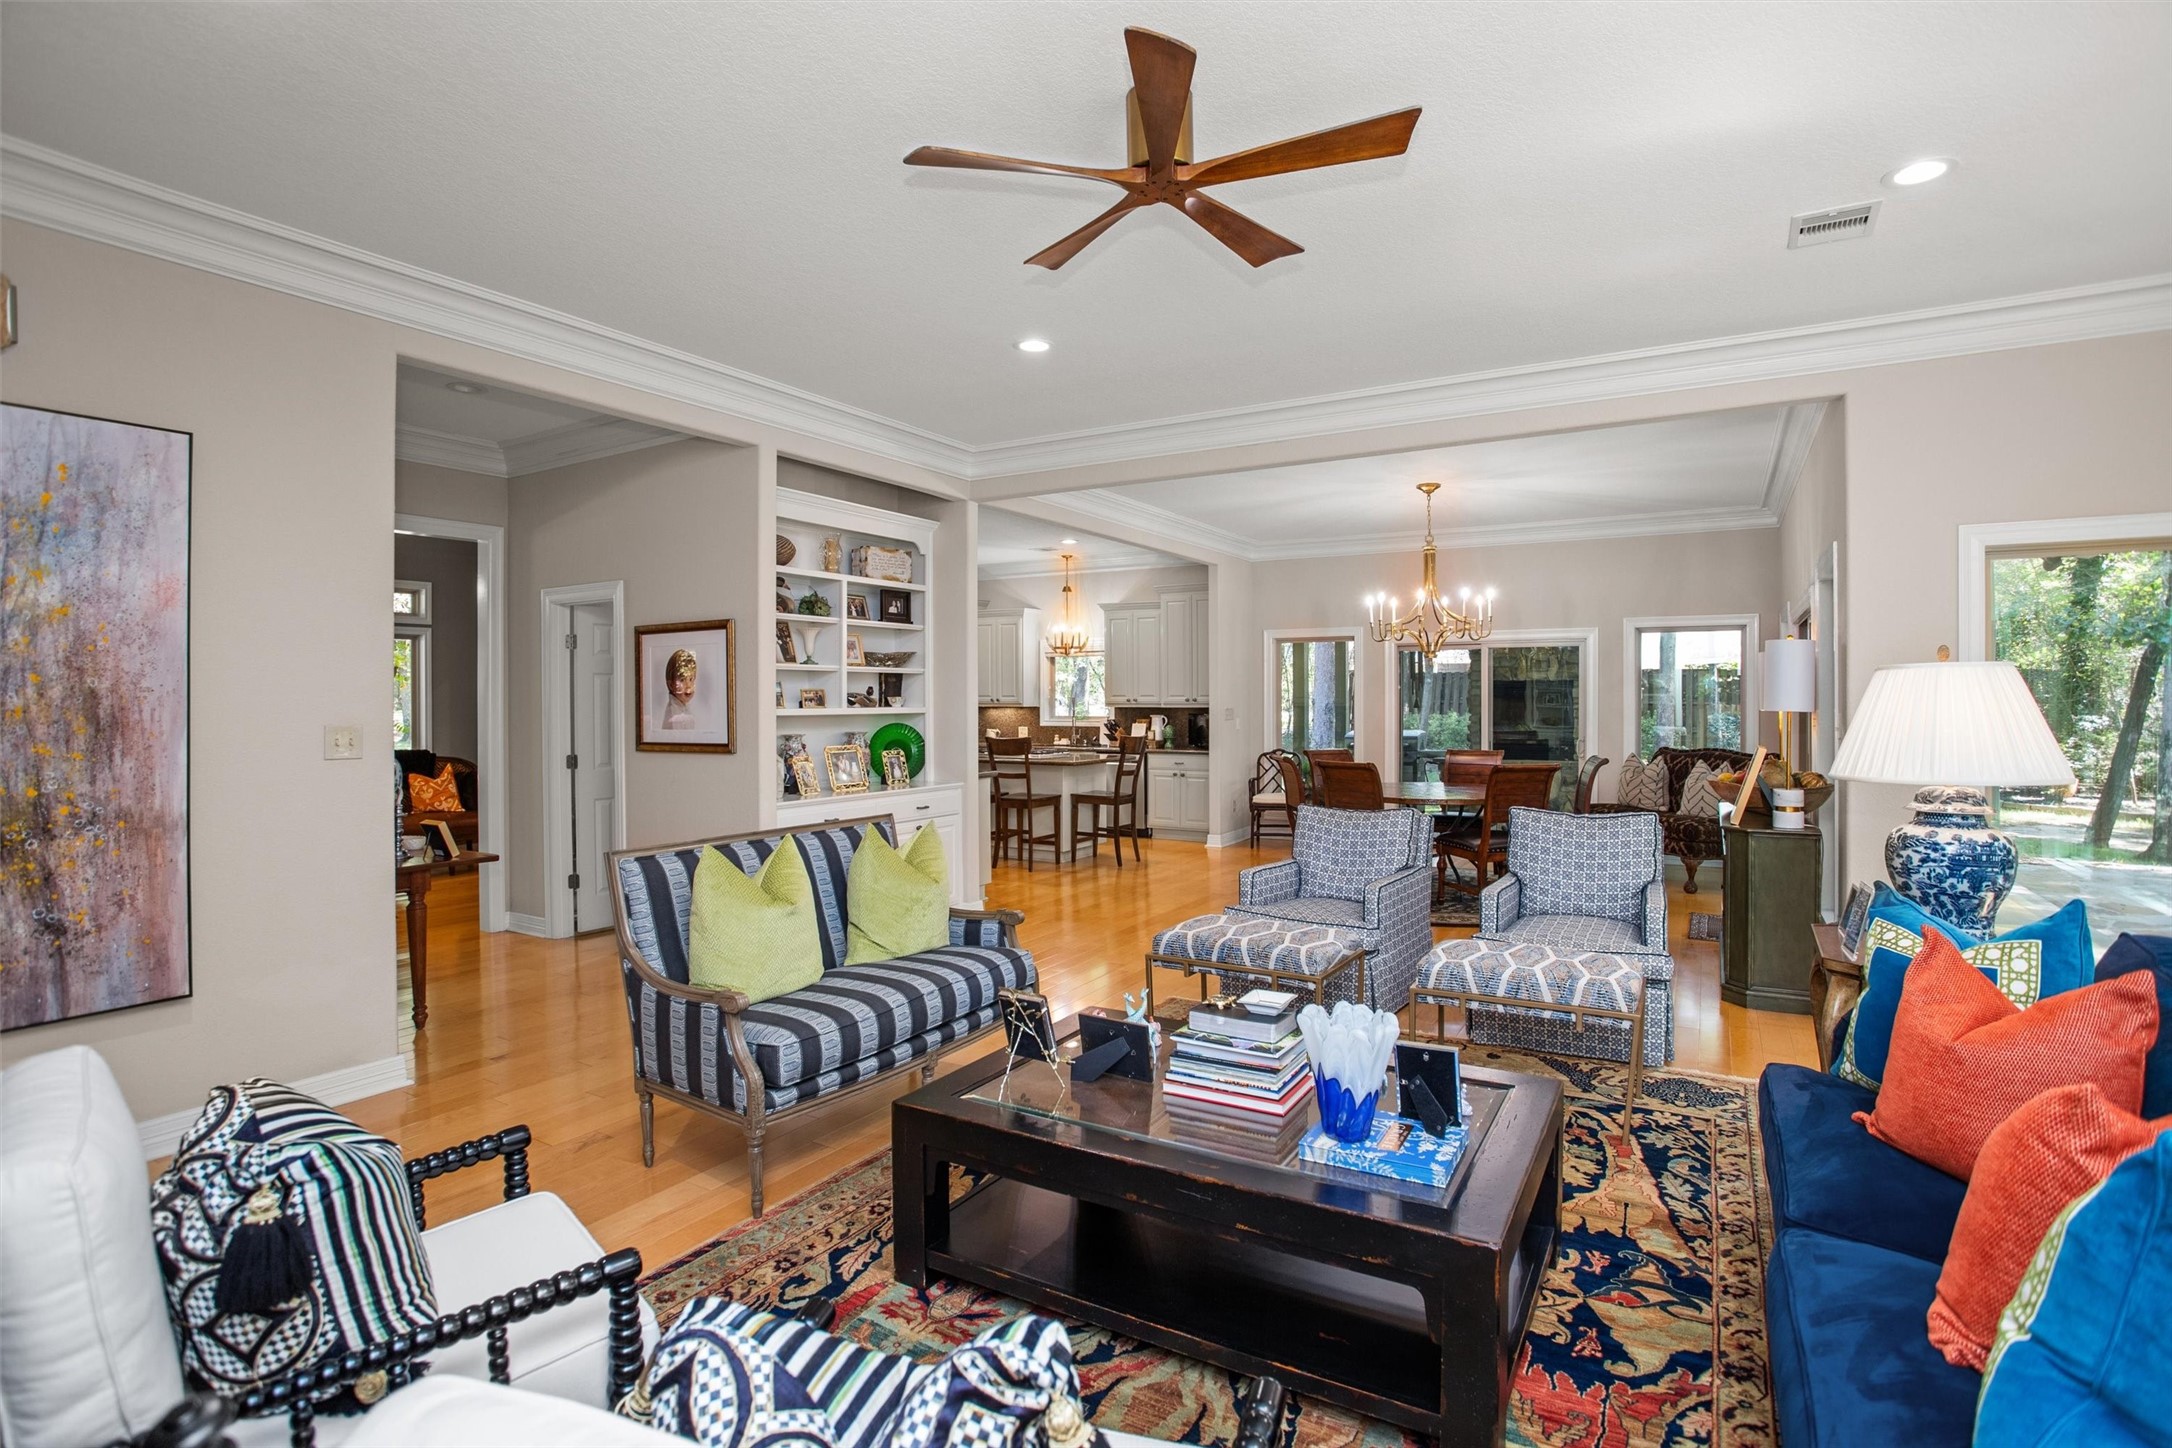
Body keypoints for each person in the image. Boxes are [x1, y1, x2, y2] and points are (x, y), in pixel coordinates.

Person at [662, 648, 699, 729]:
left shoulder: (684, 709)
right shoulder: (674, 714)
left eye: (691, 679)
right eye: (682, 680)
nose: (688, 685)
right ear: (671, 685)